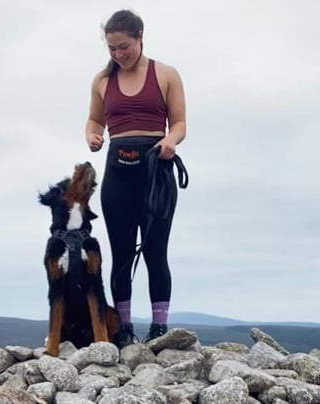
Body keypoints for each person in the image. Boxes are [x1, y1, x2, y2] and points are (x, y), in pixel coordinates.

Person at [84, 9, 187, 346]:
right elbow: (94, 121)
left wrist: (170, 141)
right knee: (122, 252)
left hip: (156, 171)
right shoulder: (101, 80)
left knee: (156, 250)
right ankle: (124, 329)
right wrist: (93, 137)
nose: (118, 54)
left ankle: (159, 328)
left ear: (140, 37)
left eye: (124, 47)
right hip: (118, 172)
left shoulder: (166, 74)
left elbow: (180, 124)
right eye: (112, 49)